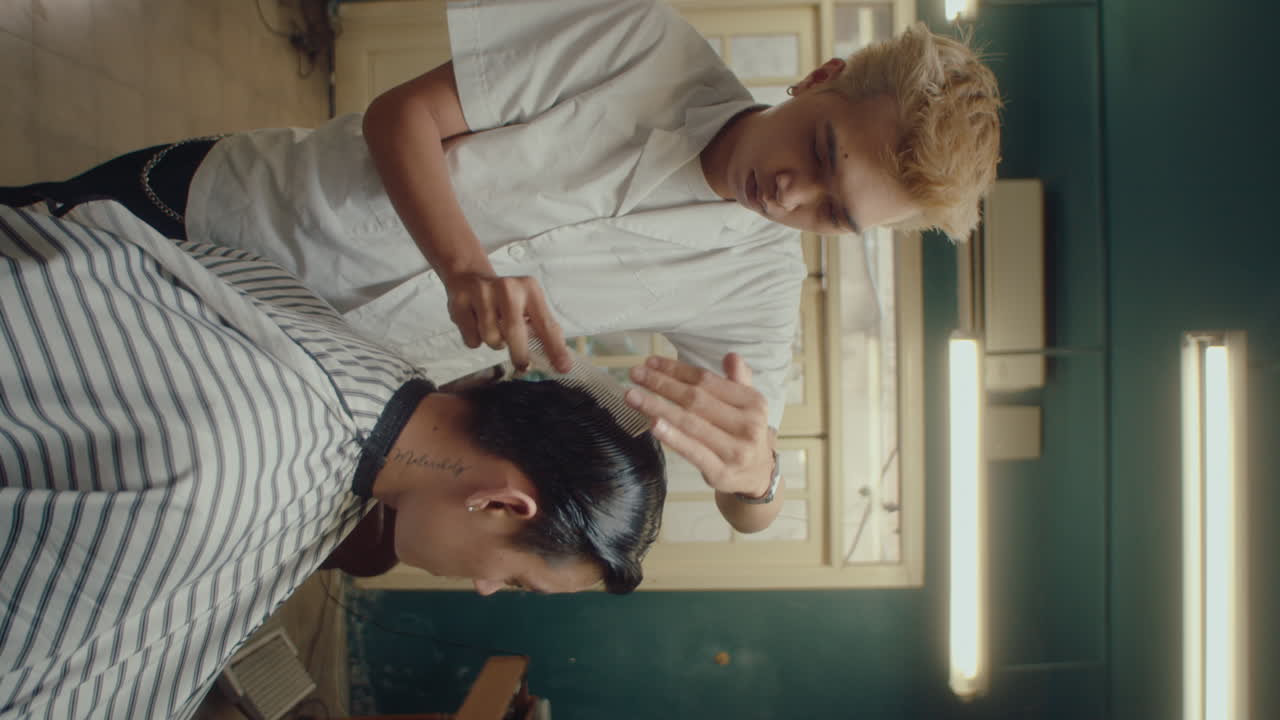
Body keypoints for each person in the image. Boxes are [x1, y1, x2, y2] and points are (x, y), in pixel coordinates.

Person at [0, 2, 1002, 534]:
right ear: (820, 81)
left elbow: (752, 515)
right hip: (228, 213)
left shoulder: (754, 288)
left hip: (284, 365)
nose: (791, 199)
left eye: (834, 215)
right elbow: (407, 118)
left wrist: (759, 473)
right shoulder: (638, 41)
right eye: (821, 155)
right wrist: (462, 265)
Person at [0, 201, 666, 720]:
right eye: (516, 580)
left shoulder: (356, 365)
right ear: (498, 503)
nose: (485, 588)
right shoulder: (222, 489)